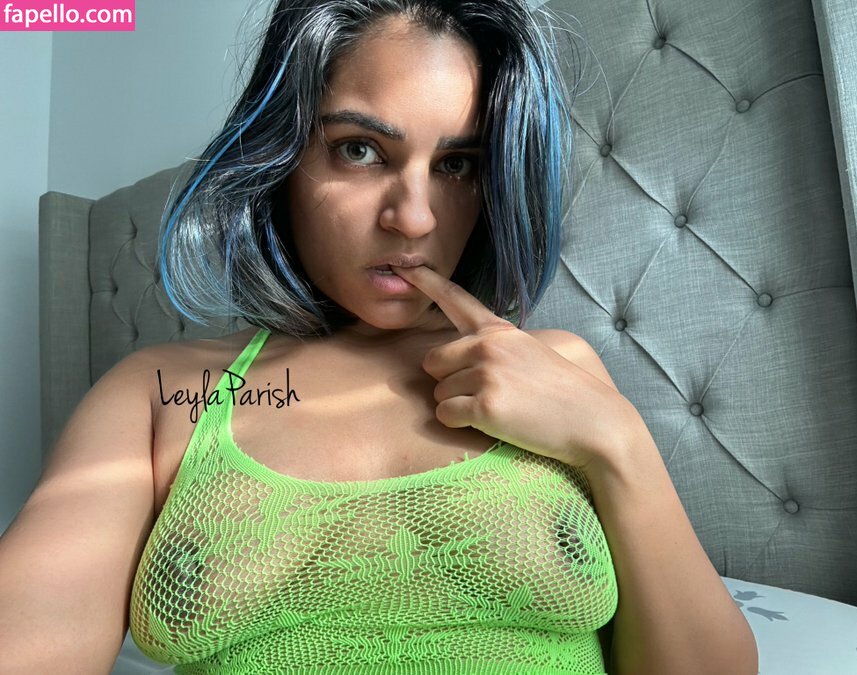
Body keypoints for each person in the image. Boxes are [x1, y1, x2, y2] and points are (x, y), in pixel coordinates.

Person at [0, 0, 758, 673]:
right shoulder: (164, 393)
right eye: (360, 149)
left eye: (457, 164)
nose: (416, 218)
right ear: (281, 155)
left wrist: (617, 442)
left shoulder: (563, 370)